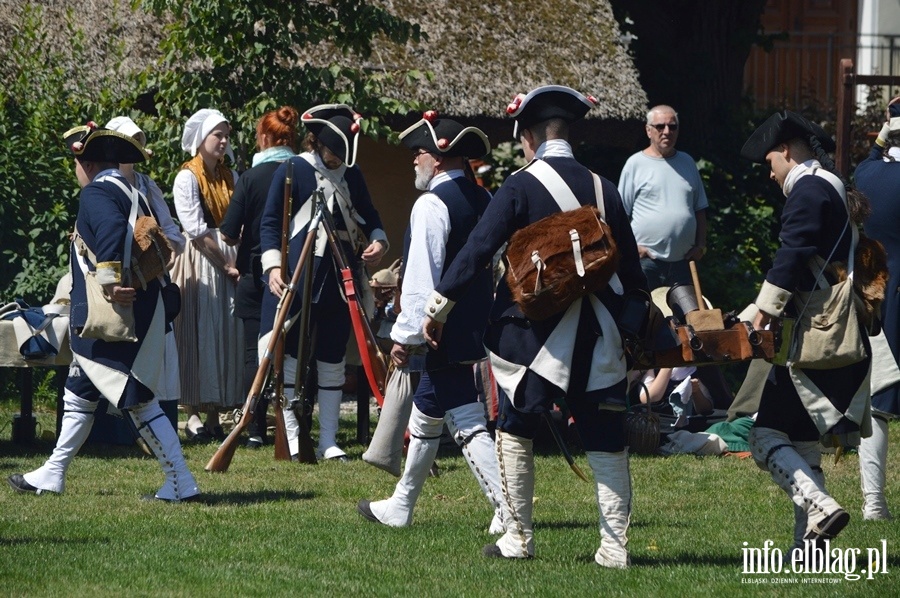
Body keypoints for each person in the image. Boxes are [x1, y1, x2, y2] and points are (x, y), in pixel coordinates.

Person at [423, 85, 647, 567]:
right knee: (606, 440)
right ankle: (614, 548)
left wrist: (438, 308)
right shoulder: (604, 187)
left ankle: (518, 540)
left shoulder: (520, 186)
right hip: (600, 335)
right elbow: (633, 274)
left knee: (515, 431)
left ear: (528, 136)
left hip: (532, 341)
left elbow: (478, 250)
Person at [7, 122, 199, 502]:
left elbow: (110, 234)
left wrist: (110, 283)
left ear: (89, 164)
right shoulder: (132, 191)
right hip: (127, 314)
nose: (77, 172)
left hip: (115, 317)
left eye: (78, 164)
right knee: (79, 390)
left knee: (137, 399)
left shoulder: (97, 192)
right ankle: (53, 472)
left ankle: (180, 481)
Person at [357, 113, 506, 531]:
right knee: (427, 408)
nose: (415, 161)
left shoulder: (431, 203)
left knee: (467, 418)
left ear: (439, 155)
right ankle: (401, 506)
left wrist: (404, 336)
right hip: (474, 321)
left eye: (420, 152)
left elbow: (423, 280)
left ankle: (508, 506)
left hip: (437, 327)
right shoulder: (485, 199)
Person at [739, 110, 871, 553]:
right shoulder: (830, 186)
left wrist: (764, 312)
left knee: (763, 438)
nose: (769, 173)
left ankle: (819, 505)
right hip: (833, 333)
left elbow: (792, 256)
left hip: (817, 339)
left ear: (786, 151)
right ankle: (810, 549)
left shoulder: (809, 190)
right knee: (804, 441)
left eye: (770, 162)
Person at [259, 103, 388, 461]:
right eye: (332, 152)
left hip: (338, 275)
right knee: (290, 359)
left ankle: (328, 440)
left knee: (332, 356)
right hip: (299, 276)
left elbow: (370, 216)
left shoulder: (352, 174)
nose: (336, 161)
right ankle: (292, 436)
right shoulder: (292, 169)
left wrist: (378, 240)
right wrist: (273, 268)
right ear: (316, 142)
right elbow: (270, 224)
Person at [220, 106, 300, 449]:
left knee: (256, 353)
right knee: (296, 351)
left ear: (264, 138)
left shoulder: (250, 178)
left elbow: (227, 232)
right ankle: (296, 424)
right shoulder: (303, 173)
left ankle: (255, 428)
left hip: (257, 274)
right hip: (298, 270)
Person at [171, 108, 243, 442]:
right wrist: (225, 264)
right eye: (218, 135)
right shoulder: (187, 177)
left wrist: (235, 259)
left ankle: (215, 413)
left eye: (226, 135)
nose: (224, 141)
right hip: (202, 261)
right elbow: (197, 232)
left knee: (224, 333)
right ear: (202, 138)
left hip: (229, 254)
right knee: (200, 333)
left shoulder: (231, 176)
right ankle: (194, 414)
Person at [105, 116, 185, 405]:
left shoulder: (147, 185)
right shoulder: (103, 184)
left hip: (151, 279)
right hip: (114, 279)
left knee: (155, 346)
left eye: (137, 142)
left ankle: (153, 412)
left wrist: (166, 253)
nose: (134, 148)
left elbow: (172, 231)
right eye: (128, 141)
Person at [851, 97, 900, 521]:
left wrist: (882, 139)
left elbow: (870, 158)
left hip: (882, 301)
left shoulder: (866, 174)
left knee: (879, 403)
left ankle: (874, 502)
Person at [617, 105, 709, 288]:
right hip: (646, 262)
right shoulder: (635, 164)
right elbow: (619, 214)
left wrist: (701, 245)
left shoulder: (688, 162)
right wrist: (631, 249)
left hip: (684, 263)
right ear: (648, 130)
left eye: (672, 126)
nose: (667, 131)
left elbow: (700, 209)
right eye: (660, 126)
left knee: (685, 315)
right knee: (643, 313)